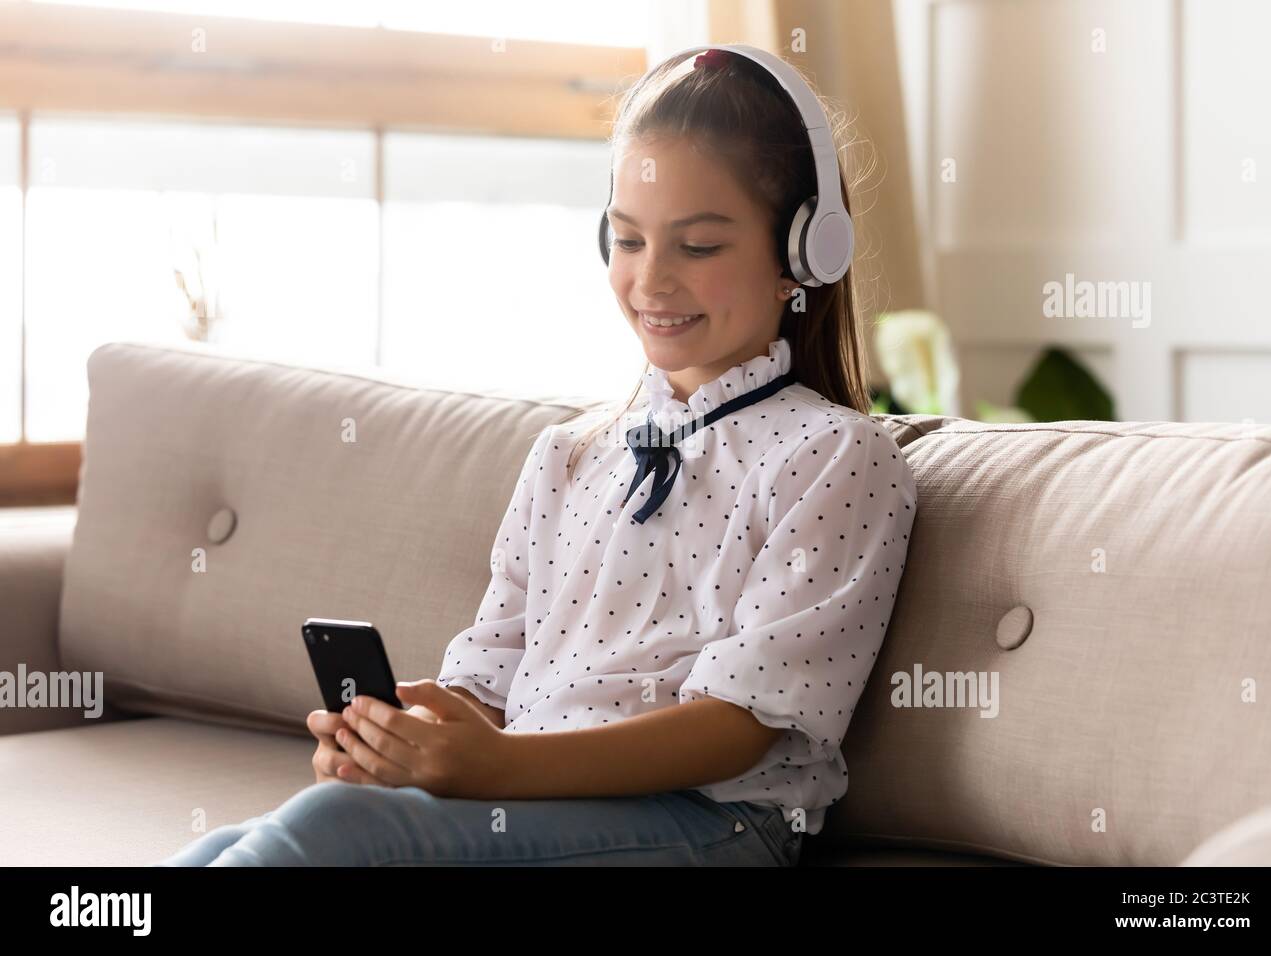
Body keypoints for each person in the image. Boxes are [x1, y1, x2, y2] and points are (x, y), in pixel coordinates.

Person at [158, 43, 915, 867]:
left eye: (698, 247)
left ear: (805, 255)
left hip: (713, 825)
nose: (652, 279)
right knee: (243, 841)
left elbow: (743, 724)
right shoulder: (571, 453)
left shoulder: (836, 456)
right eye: (627, 241)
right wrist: (410, 737)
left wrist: (505, 765)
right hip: (538, 802)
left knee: (329, 835)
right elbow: (491, 679)